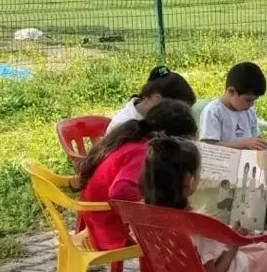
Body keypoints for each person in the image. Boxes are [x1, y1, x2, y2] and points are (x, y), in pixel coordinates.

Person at [141, 134, 267, 272]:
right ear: (190, 181)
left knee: (263, 248)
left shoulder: (145, 213)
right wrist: (234, 243)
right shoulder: (197, 225)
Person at [75, 100, 198, 249]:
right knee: (180, 231)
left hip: (99, 220)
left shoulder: (136, 138)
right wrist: (152, 197)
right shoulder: (142, 153)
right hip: (110, 229)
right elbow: (120, 191)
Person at [198, 61, 267, 224]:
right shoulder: (214, 111)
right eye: (248, 100)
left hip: (249, 161)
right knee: (259, 174)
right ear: (231, 91)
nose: (251, 105)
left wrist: (265, 148)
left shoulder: (248, 111)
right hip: (224, 164)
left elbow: (254, 139)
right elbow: (210, 148)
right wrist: (245, 143)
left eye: (254, 100)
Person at [109, 65, 197, 131]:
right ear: (156, 99)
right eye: (178, 111)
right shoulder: (125, 127)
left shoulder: (151, 116)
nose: (182, 118)